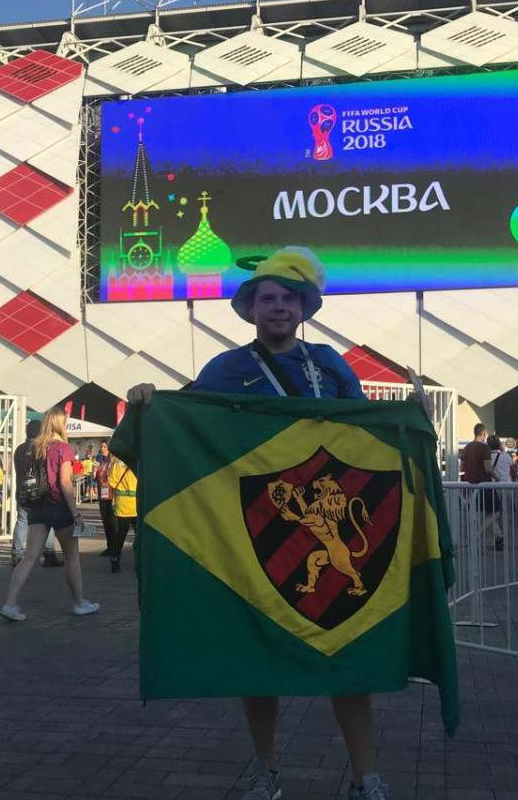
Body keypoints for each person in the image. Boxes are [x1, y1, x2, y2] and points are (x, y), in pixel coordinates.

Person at [127, 246, 392, 800]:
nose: (277, 307)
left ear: (304, 307)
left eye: (287, 298)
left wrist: (406, 422)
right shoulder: (228, 368)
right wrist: (150, 403)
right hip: (263, 529)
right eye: (267, 298)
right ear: (251, 310)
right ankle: (265, 769)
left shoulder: (331, 365)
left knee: (348, 649)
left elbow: (369, 438)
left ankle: (366, 776)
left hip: (330, 522)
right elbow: (187, 424)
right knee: (258, 653)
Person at [1, 407, 99, 621]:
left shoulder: (35, 447)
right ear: (59, 423)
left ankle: (10, 603)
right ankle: (79, 602)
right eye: (64, 422)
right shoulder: (63, 448)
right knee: (72, 556)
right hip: (58, 506)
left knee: (29, 557)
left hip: (37, 506)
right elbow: (64, 483)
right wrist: (76, 513)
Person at [11, 420, 62, 568]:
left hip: (22, 492)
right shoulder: (42, 449)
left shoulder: (19, 450)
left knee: (22, 521)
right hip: (40, 493)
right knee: (47, 522)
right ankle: (49, 554)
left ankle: (17, 554)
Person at [460, 424, 498, 546]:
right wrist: (498, 478)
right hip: (485, 483)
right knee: (496, 512)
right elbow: (488, 468)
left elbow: (462, 467)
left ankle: (497, 537)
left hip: (471, 485)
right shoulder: (484, 448)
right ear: (483, 433)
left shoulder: (466, 448)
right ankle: (476, 534)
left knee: (488, 512)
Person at [106, 454, 137, 573]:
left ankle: (115, 559)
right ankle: (140, 559)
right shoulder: (137, 459)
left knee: (121, 534)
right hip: (137, 503)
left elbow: (111, 482)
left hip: (122, 504)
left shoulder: (116, 462)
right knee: (139, 534)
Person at [94, 442, 115, 557]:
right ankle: (109, 546)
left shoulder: (113, 461)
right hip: (102, 495)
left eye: (105, 447)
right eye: (101, 446)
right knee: (106, 522)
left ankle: (114, 548)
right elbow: (98, 478)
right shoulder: (101, 461)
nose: (102, 449)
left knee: (112, 523)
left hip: (112, 496)